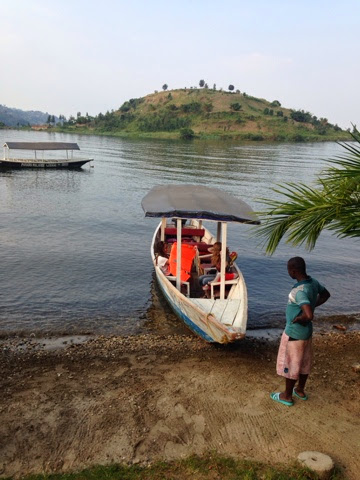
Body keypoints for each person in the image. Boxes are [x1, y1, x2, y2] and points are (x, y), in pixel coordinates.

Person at [270, 256, 330, 406]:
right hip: (307, 333)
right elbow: (326, 294)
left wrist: (301, 317)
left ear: (294, 271)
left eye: (289, 270)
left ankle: (287, 395)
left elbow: (309, 315)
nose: (288, 272)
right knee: (304, 361)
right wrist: (313, 305)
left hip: (294, 333)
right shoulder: (313, 282)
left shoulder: (298, 291)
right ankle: (300, 390)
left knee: (291, 363)